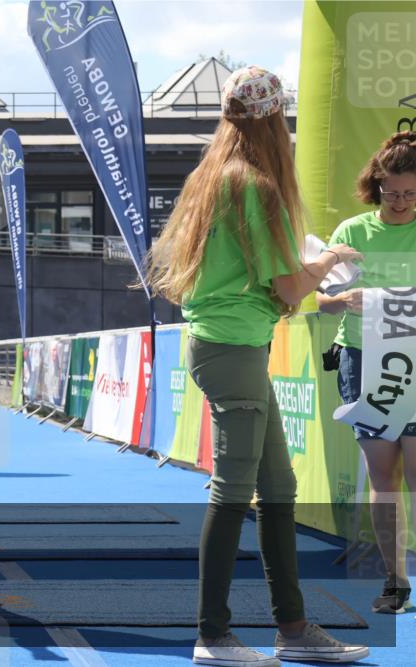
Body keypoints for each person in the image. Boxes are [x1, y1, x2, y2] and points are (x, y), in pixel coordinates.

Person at [147, 66, 369, 666]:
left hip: (227, 346)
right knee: (233, 491)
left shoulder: (212, 176)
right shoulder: (256, 185)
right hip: (234, 348)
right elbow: (290, 289)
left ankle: (290, 628)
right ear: (276, 120)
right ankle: (213, 635)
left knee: (277, 488)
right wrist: (331, 260)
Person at [317, 131, 416, 614]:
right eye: (391, 192)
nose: (400, 202)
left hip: (413, 359)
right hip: (363, 359)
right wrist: (343, 300)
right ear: (376, 185)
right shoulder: (352, 232)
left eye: (410, 193)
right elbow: (319, 297)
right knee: (383, 475)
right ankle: (396, 580)